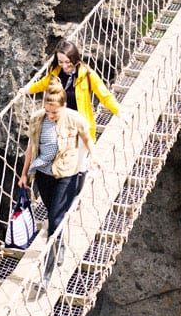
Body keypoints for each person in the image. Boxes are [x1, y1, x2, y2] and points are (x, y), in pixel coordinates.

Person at [19, 78, 96, 268]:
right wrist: (23, 175)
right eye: (48, 111)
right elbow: (31, 148)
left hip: (66, 175)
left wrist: (95, 158)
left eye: (55, 112)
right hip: (43, 175)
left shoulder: (75, 119)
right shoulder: (37, 118)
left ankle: (48, 268)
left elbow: (87, 140)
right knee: (53, 215)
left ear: (65, 105)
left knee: (54, 220)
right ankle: (59, 242)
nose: (51, 115)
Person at [27, 39, 118, 143]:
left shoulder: (88, 75)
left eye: (68, 62)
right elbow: (42, 84)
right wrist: (25, 90)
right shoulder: (56, 73)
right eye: (60, 62)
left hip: (79, 126)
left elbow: (105, 96)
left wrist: (119, 112)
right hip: (60, 123)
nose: (64, 66)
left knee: (79, 156)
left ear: (74, 59)